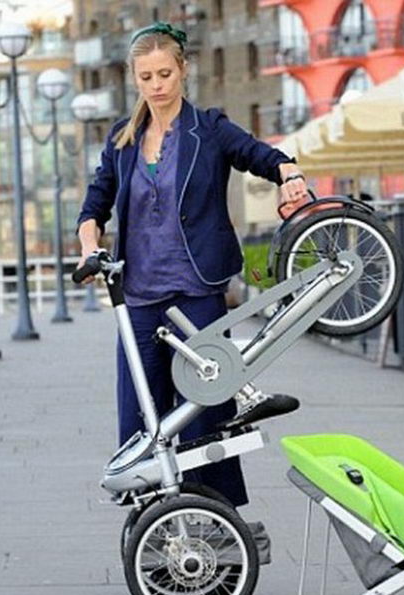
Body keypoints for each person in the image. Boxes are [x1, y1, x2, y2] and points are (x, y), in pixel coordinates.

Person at [76, 22, 308, 508]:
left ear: (182, 70)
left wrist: (290, 174)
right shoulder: (122, 139)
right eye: (146, 77)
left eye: (165, 73)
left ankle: (218, 515)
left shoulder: (209, 129)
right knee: (141, 410)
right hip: (139, 295)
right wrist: (88, 246)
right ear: (134, 79)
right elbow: (95, 206)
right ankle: (153, 516)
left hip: (197, 291)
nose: (156, 85)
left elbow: (260, 156)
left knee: (205, 409)